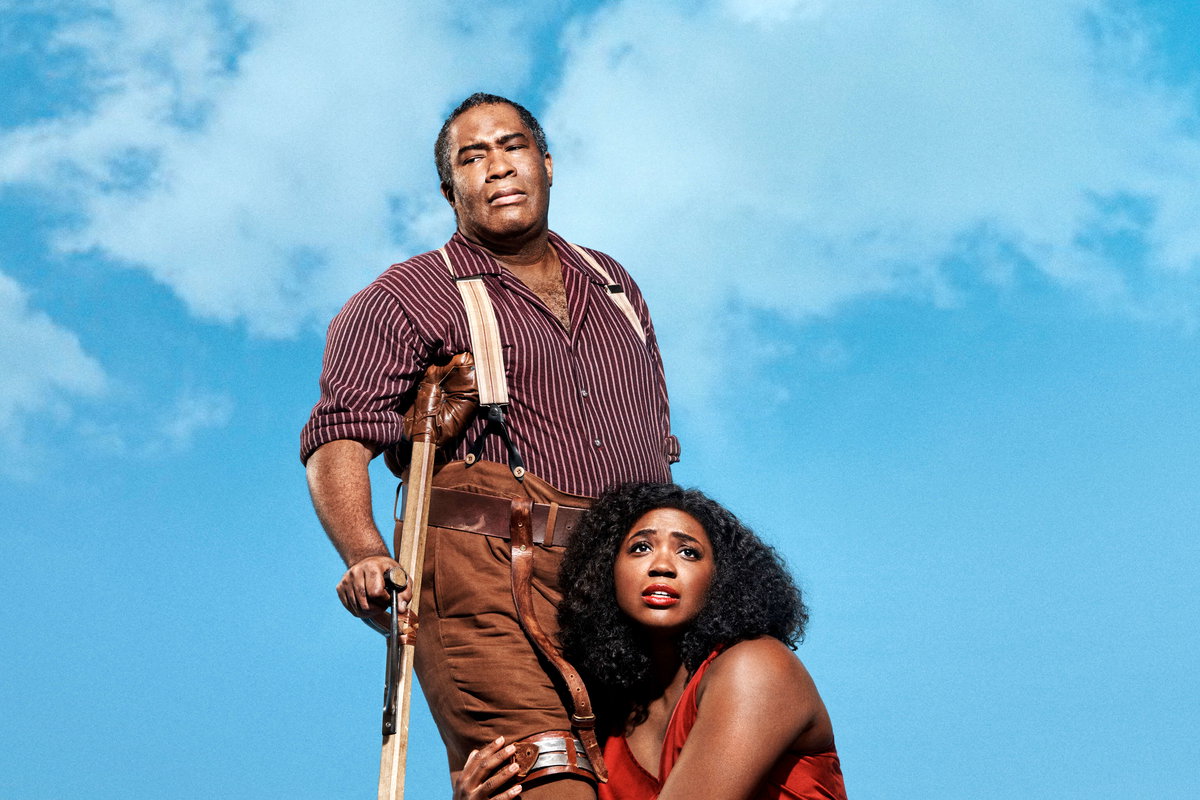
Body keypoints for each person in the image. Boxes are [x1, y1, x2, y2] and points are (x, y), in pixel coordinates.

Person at [301, 93, 679, 799]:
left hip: (627, 581)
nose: (497, 167)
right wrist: (364, 552)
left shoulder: (613, 282)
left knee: (661, 779)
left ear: (547, 164)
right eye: (472, 158)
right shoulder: (404, 296)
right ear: (451, 191)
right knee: (548, 782)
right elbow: (339, 436)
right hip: (488, 578)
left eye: (512, 146)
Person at [550, 483, 848, 800]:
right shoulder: (607, 713)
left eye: (688, 552)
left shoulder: (756, 668)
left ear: (721, 578)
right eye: (641, 548)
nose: (662, 566)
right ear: (606, 571)